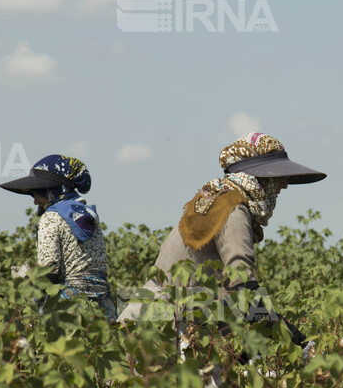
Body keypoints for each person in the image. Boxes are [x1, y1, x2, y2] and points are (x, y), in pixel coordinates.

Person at [116, 132, 325, 347]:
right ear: (261, 178)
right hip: (163, 327)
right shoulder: (233, 209)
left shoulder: (217, 199)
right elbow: (243, 291)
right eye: (279, 177)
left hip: (151, 317)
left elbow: (226, 300)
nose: (284, 185)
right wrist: (295, 340)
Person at [0, 154, 118, 322]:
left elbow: (50, 269)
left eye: (36, 193)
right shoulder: (88, 215)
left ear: (52, 190)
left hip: (70, 306)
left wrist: (26, 279)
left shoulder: (52, 217)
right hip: (102, 305)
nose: (35, 201)